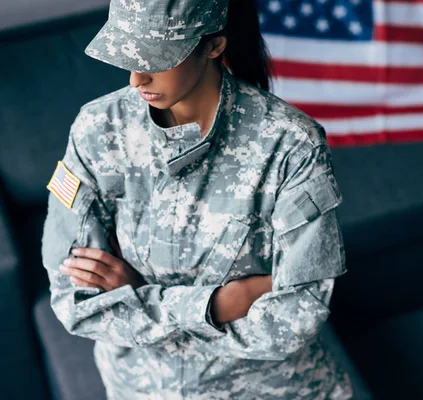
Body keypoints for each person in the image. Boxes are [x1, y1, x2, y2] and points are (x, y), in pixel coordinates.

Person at [40, 0, 355, 398]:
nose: (137, 78)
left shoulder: (291, 144)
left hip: (272, 390)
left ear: (213, 46)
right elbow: (75, 301)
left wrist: (137, 295)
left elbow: (296, 317)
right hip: (142, 387)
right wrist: (222, 304)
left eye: (156, 57)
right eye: (127, 55)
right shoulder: (98, 130)